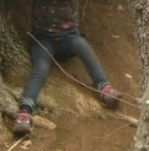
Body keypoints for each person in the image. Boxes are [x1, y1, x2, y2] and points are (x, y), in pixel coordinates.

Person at [13, 0, 121, 136]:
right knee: (41, 67)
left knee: (84, 48)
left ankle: (104, 86)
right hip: (43, 39)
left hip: (69, 37)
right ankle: (25, 111)